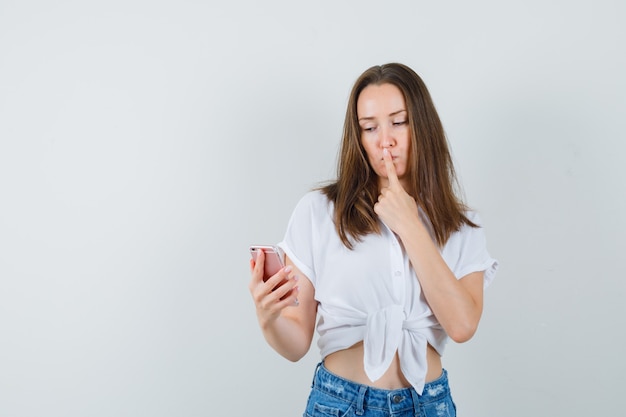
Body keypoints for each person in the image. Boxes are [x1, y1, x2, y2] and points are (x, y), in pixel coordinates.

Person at [249, 63, 498, 417]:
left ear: (422, 126)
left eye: (399, 121)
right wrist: (268, 317)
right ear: (359, 137)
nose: (385, 140)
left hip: (427, 405)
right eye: (369, 127)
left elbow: (461, 326)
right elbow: (295, 344)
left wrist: (410, 225)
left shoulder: (463, 225)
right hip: (340, 403)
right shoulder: (319, 212)